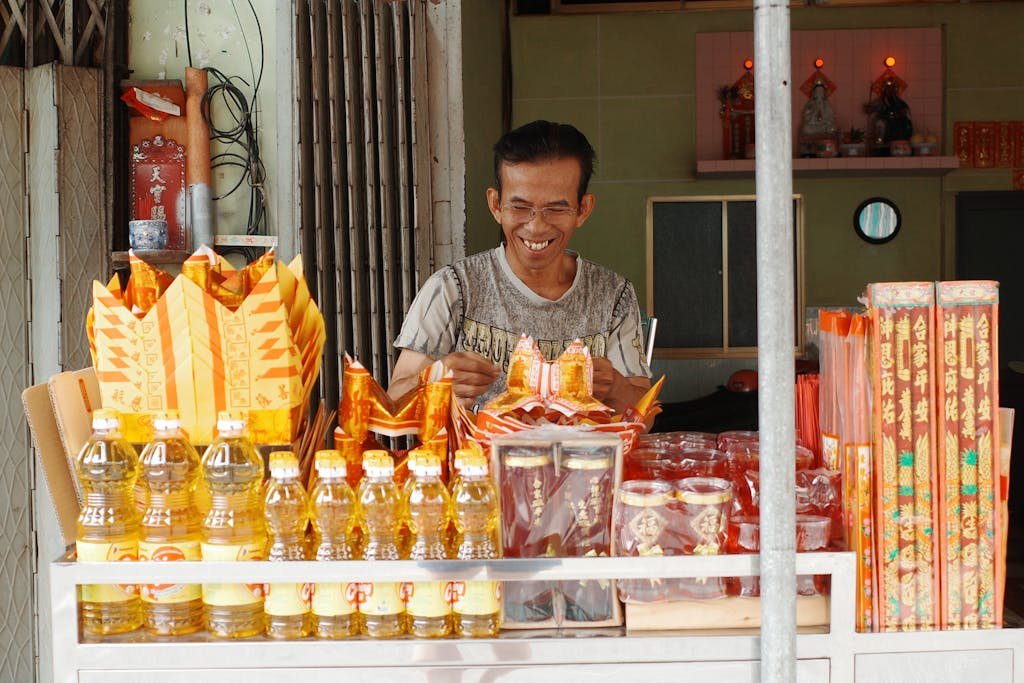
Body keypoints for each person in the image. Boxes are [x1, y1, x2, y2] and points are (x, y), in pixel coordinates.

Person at [387, 120, 651, 414]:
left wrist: (615, 388)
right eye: (520, 207)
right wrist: (435, 379)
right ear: (496, 205)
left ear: (583, 209)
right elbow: (394, 402)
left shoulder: (613, 295)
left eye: (556, 208)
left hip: (580, 459)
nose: (536, 226)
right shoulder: (452, 287)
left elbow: (644, 415)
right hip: (474, 459)